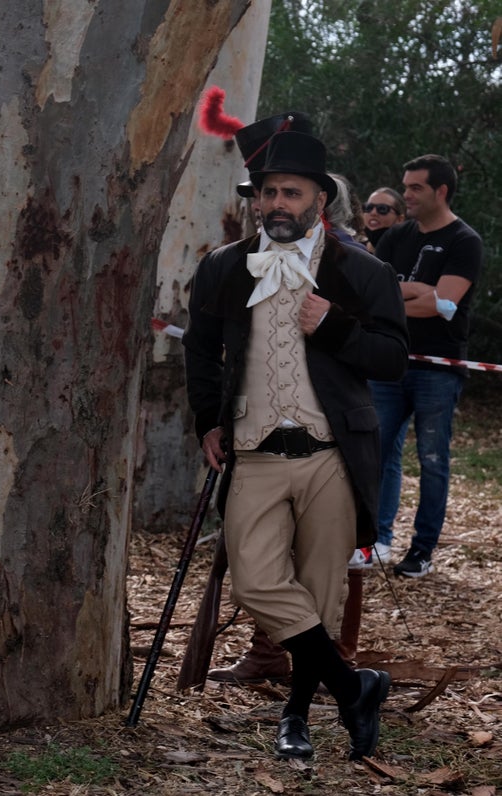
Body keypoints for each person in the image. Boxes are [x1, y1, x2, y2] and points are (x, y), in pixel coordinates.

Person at [183, 129, 407, 761]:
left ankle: (299, 714)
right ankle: (353, 686)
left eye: (290, 192)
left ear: (320, 198)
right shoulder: (224, 267)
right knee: (254, 582)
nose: (276, 204)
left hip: (331, 455)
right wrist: (207, 420)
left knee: (319, 591)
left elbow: (393, 358)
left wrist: (334, 325)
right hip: (253, 452)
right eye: (267, 194)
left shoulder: (360, 269)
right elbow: (199, 350)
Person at [371, 155, 482, 577]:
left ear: (441, 191)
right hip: (389, 361)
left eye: (415, 188)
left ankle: (421, 551)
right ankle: (374, 540)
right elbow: (375, 297)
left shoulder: (464, 241)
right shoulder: (397, 236)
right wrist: (420, 293)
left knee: (432, 460)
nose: (406, 195)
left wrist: (408, 297)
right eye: (405, 185)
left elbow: (445, 306)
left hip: (439, 369)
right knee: (375, 453)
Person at [362, 187, 405, 252]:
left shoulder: (408, 253)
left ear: (399, 219)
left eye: (382, 209)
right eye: (369, 207)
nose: (373, 213)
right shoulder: (352, 250)